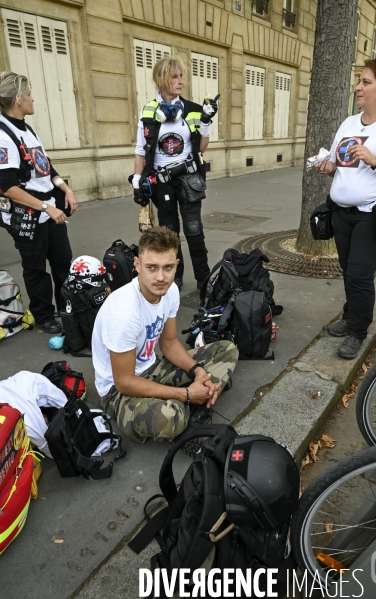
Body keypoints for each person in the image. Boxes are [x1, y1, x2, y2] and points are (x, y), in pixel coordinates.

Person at [92, 226, 238, 443]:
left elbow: (168, 343)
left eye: (168, 267)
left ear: (176, 265)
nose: (160, 277)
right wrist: (186, 395)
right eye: (152, 267)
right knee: (171, 415)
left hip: (154, 368)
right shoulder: (124, 311)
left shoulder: (169, 292)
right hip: (118, 392)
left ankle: (199, 393)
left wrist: (198, 372)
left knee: (227, 349)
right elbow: (124, 382)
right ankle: (196, 399)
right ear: (137, 265)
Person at [315, 57, 376, 359]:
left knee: (360, 274)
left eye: (366, 82)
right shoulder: (350, 122)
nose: (358, 87)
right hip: (341, 213)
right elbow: (340, 164)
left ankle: (357, 331)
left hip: (374, 214)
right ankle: (351, 316)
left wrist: (374, 158)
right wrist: (328, 168)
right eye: (359, 81)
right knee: (349, 270)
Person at [132, 56, 219, 292]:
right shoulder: (149, 110)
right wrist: (137, 182)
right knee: (169, 234)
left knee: (194, 231)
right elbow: (141, 151)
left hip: (188, 179)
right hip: (161, 182)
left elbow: (201, 147)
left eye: (182, 76)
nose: (181, 81)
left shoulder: (192, 109)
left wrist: (206, 121)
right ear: (161, 79)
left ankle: (203, 279)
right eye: (175, 76)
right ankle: (174, 278)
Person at [0, 72, 78, 333]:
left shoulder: (27, 128)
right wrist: (46, 206)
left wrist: (66, 189)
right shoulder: (3, 134)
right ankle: (44, 317)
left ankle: (68, 310)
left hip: (50, 210)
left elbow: (46, 168)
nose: (33, 99)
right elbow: (7, 186)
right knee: (35, 268)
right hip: (29, 215)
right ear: (18, 97)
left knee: (62, 262)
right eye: (30, 93)